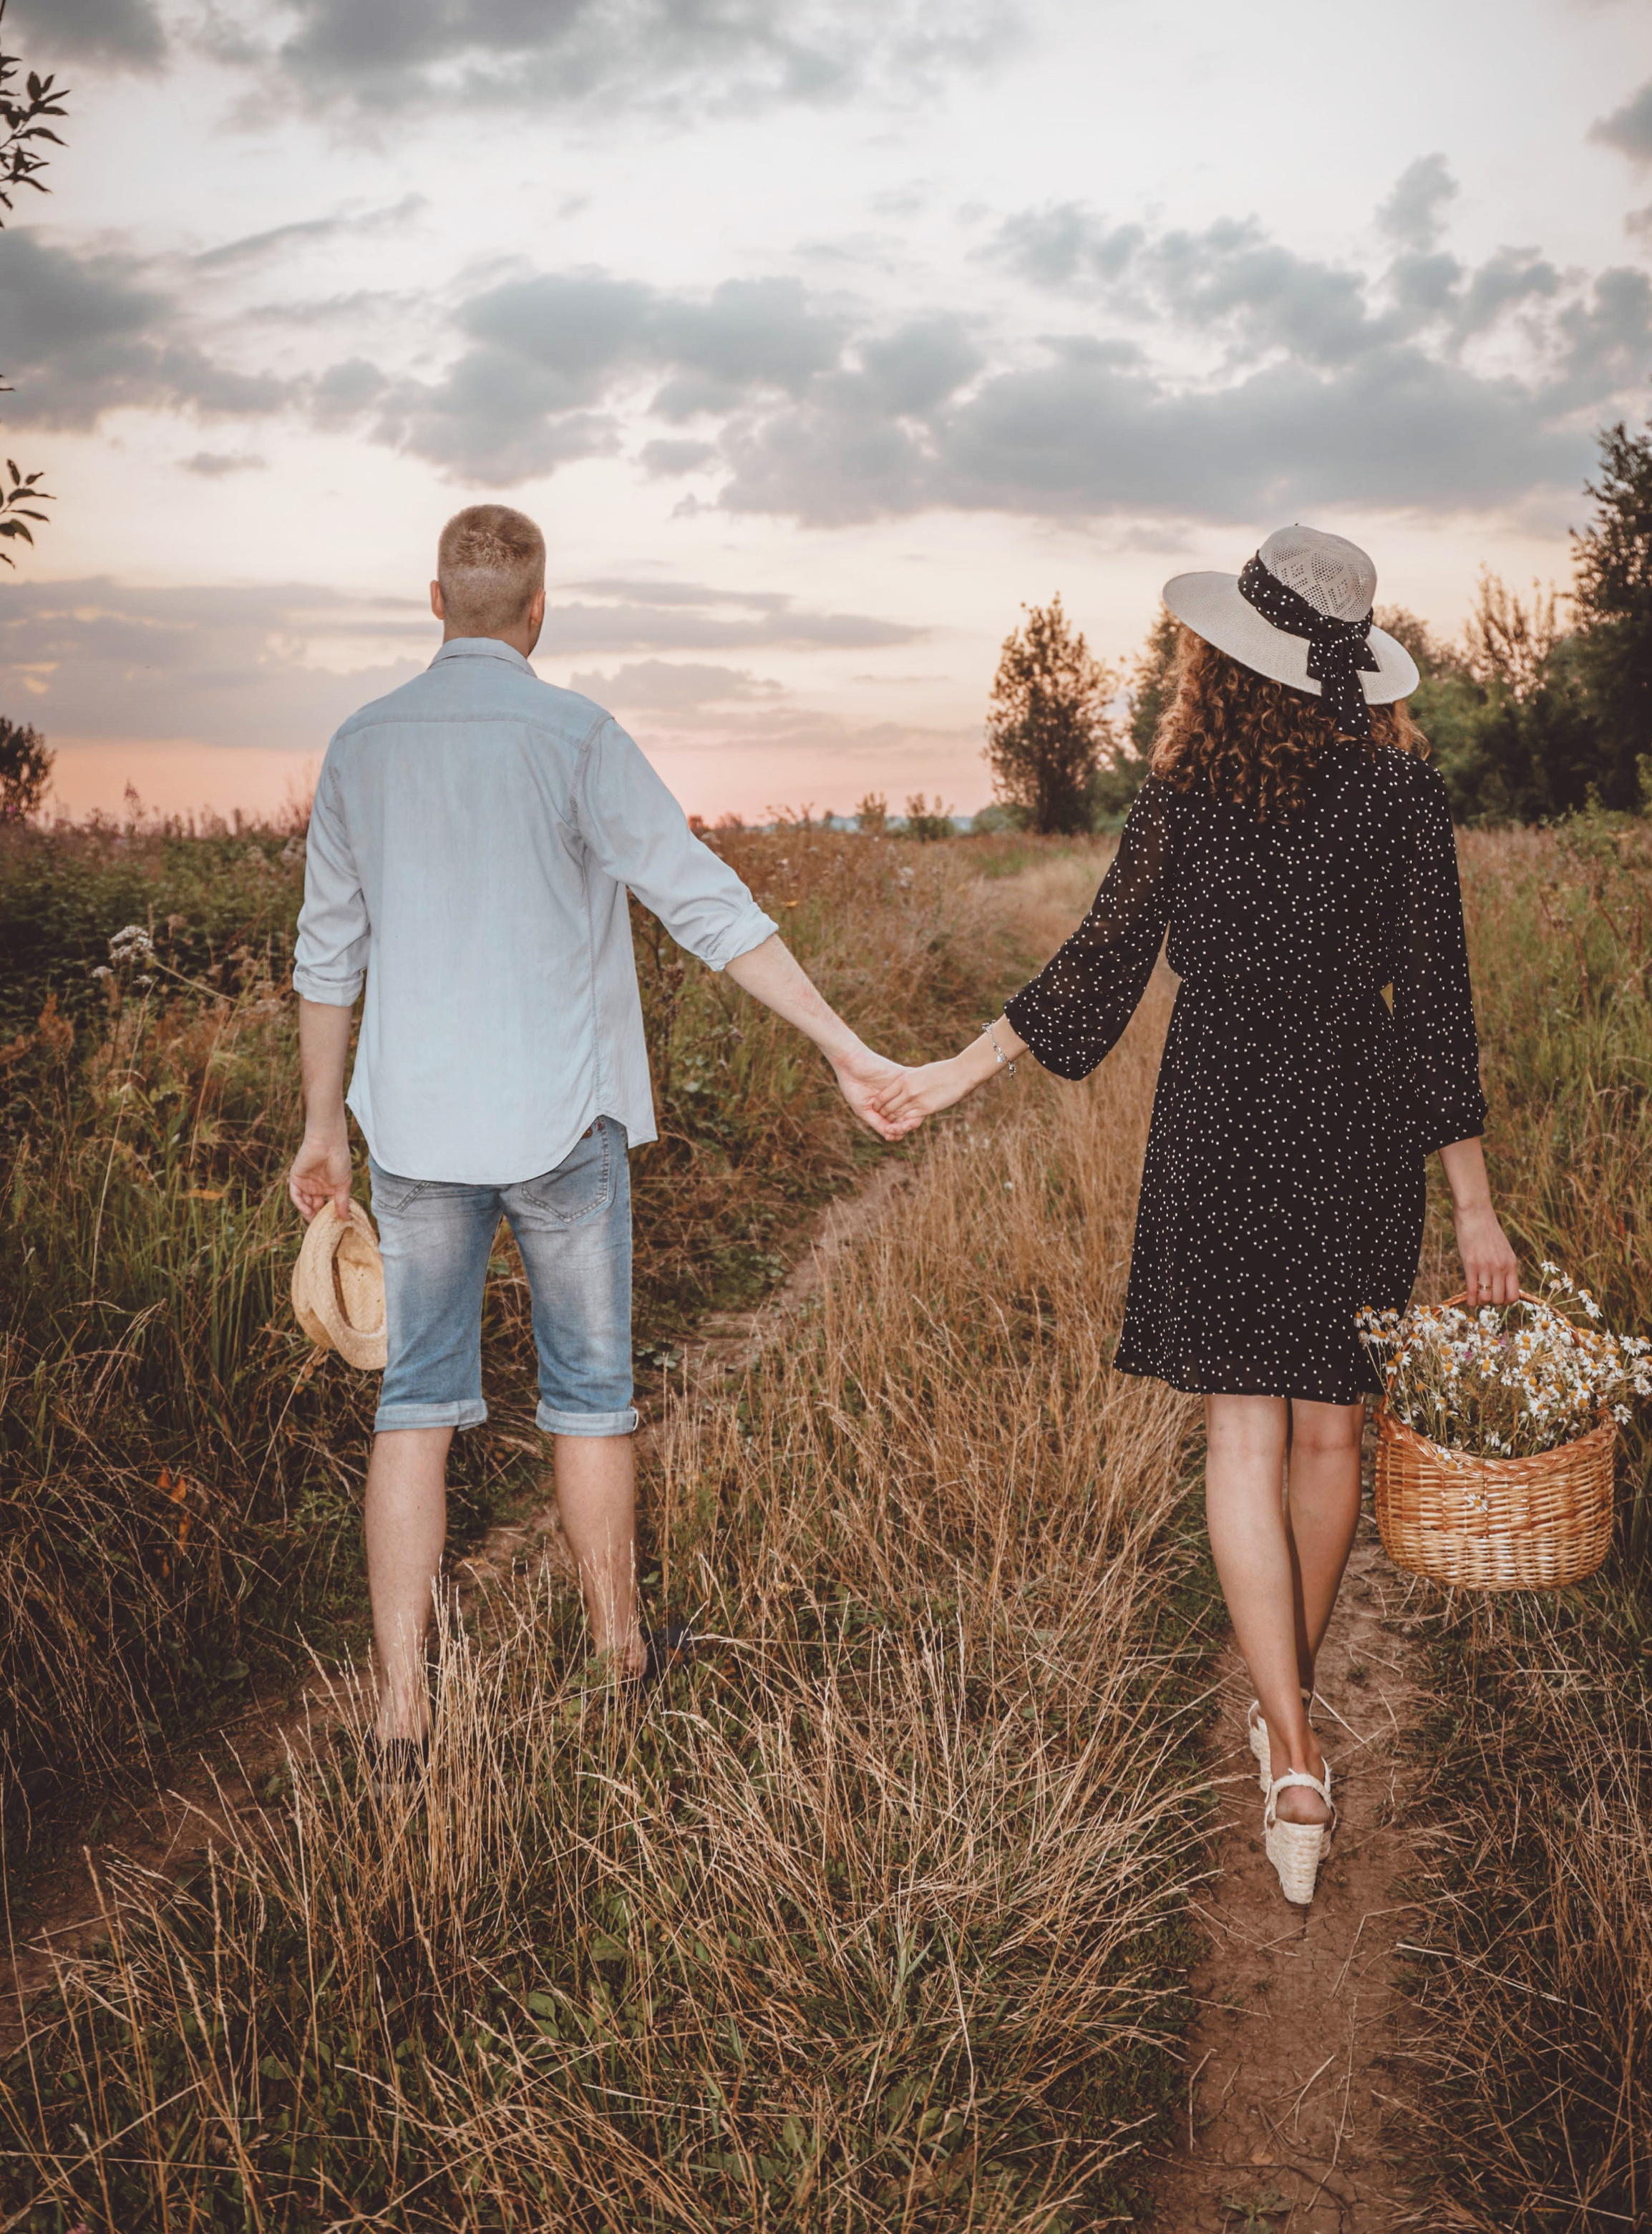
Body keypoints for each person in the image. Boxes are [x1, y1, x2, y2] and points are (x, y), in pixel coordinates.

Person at [882, 525, 1516, 1907]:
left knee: (1243, 1430)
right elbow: (1437, 1008)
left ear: (1229, 655)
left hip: (1223, 1116)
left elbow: (1101, 962)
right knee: (1332, 1429)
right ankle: (1294, 1723)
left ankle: (1291, 1751)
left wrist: (950, 1073)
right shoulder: (1404, 792)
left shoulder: (1188, 787)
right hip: (1355, 1124)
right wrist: (1475, 1206)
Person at [288, 504, 906, 1757]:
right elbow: (707, 905)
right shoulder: (576, 736)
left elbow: (328, 954)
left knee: (414, 1404)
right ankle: (620, 1659)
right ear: (539, 609)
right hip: (562, 1120)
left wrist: (321, 1128)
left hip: (413, 1131)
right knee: (589, 1397)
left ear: (435, 601)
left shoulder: (360, 746)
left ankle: (403, 1712)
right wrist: (843, 1044)